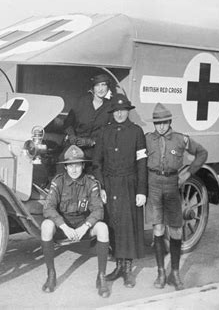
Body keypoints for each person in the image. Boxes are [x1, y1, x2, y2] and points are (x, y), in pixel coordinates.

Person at [145, 103, 208, 291]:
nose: (161, 127)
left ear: (170, 122)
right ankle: (160, 273)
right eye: (158, 123)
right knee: (157, 229)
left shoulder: (181, 139)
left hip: (173, 186)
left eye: (164, 122)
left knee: (176, 231)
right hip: (154, 185)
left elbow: (202, 153)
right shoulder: (147, 139)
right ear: (154, 124)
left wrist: (189, 173)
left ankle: (174, 273)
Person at [92, 94, 148, 288]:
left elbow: (142, 163)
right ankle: (117, 266)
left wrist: (142, 190)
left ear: (128, 111)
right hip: (109, 184)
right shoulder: (104, 133)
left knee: (128, 225)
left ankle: (127, 270)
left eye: (123, 110)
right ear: (112, 112)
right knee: (113, 225)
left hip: (129, 185)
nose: (119, 114)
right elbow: (96, 163)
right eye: (116, 111)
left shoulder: (136, 132)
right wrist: (101, 186)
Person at [41, 145, 110, 298]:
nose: (74, 169)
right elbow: (48, 208)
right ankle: (51, 274)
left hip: (82, 225)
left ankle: (101, 276)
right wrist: (64, 227)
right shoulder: (58, 182)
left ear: (83, 165)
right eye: (70, 165)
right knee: (46, 225)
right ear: (65, 167)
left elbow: (98, 210)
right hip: (63, 225)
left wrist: (84, 227)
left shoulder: (90, 183)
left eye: (77, 164)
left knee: (103, 228)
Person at [63, 73, 112, 162]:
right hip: (74, 147)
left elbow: (111, 132)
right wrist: (72, 136)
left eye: (103, 85)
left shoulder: (110, 107)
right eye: (97, 85)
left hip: (96, 150)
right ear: (93, 88)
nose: (100, 89)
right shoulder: (82, 102)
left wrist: (92, 142)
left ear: (108, 88)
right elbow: (68, 123)